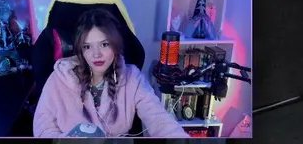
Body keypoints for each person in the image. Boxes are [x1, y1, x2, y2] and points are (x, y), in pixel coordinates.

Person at [33, 8, 188, 137]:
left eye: (104, 44)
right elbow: (43, 129)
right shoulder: (59, 79)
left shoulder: (132, 78)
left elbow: (159, 120)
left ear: (115, 45)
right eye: (87, 46)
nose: (96, 54)